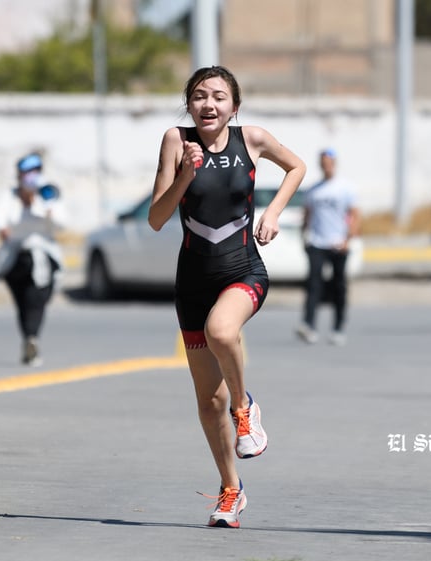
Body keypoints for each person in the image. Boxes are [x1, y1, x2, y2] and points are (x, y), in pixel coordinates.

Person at [148, 66, 306, 528]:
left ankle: (245, 407)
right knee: (206, 401)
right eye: (199, 97)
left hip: (243, 271)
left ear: (234, 107)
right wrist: (184, 175)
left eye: (218, 96)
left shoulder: (251, 139)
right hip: (192, 283)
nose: (208, 104)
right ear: (189, 105)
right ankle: (231, 491)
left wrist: (274, 211)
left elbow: (297, 166)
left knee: (223, 330)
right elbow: (157, 217)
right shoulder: (176, 141)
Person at [0, 152, 67, 366]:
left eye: (34, 172)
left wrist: (43, 205)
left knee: (36, 301)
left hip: (44, 255)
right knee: (25, 302)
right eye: (25, 173)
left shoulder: (47, 193)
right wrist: (9, 228)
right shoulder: (10, 196)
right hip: (17, 257)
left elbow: (61, 224)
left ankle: (31, 339)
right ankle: (31, 339)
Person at [295, 148, 360, 345]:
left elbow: (355, 216)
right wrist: (304, 237)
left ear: (334, 163)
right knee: (314, 285)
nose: (326, 166)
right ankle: (309, 325)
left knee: (339, 286)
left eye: (329, 162)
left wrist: (348, 240)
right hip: (317, 241)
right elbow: (307, 215)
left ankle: (338, 327)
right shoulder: (314, 190)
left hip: (338, 243)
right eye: (323, 162)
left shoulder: (345, 188)